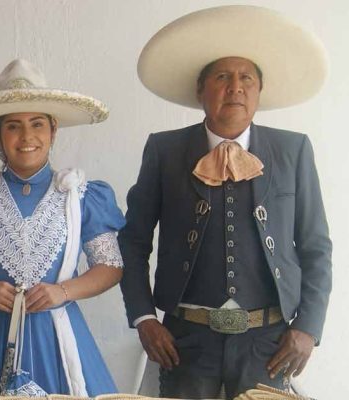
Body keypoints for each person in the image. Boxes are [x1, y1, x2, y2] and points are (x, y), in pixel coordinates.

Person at [119, 6, 332, 399]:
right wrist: (145, 317)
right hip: (184, 341)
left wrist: (309, 327)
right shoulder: (165, 150)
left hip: (268, 343)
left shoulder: (293, 150)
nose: (235, 86)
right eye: (222, 77)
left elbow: (317, 247)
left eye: (246, 77)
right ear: (201, 90)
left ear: (258, 91)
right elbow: (132, 241)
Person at [0, 58, 124, 396]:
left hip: (57, 335)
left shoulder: (81, 195)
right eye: (13, 126)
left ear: (53, 130)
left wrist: (62, 292)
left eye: (37, 124)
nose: (27, 136)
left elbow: (109, 266)